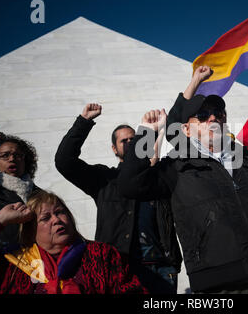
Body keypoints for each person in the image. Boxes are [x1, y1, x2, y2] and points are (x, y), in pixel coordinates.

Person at [118, 66, 248, 294]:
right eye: (203, 116)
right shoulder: (176, 165)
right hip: (219, 284)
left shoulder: (242, 156)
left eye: (219, 113)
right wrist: (147, 132)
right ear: (186, 129)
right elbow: (130, 184)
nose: (213, 118)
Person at [54, 103, 182, 294]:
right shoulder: (103, 179)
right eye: (124, 141)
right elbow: (64, 162)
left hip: (161, 267)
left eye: (134, 138)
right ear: (114, 149)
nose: (130, 142)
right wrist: (84, 122)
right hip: (118, 267)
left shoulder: (161, 177)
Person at [0, 189, 147, 294]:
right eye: (45, 218)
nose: (56, 220)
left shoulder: (101, 254)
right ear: (31, 230)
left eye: (60, 212)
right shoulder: (13, 265)